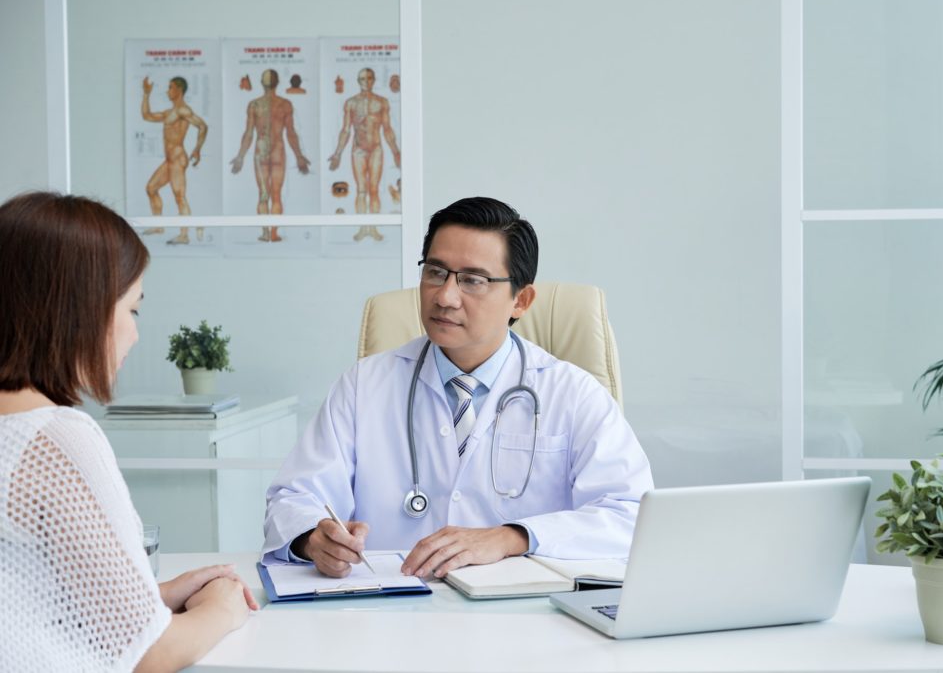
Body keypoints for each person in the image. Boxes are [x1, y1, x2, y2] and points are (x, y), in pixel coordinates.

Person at [263, 197, 653, 580]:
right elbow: (294, 497)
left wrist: (513, 536)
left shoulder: (572, 393)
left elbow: (631, 515)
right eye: (435, 272)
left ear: (521, 299)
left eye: (472, 280)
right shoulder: (365, 384)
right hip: (390, 615)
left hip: (526, 618)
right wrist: (313, 539)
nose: (445, 297)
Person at [0, 192, 258, 671]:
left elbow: (19, 601)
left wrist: (151, 596)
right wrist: (224, 607)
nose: (135, 334)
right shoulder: (54, 439)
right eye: (132, 309)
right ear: (80, 309)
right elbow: (150, 655)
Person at [229, 69, 311, 243]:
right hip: (277, 151)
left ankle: (266, 232)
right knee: (275, 194)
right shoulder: (283, 104)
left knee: (263, 194)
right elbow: (290, 133)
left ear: (261, 81)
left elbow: (250, 133)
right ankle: (272, 233)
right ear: (278, 82)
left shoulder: (255, 104)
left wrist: (241, 156)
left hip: (261, 150)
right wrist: (299, 156)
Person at [327, 67, 400, 243]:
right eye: (362, 79)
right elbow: (345, 130)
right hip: (358, 150)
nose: (366, 81)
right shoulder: (351, 103)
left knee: (373, 189)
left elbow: (387, 129)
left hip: (376, 148)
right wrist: (337, 154)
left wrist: (396, 152)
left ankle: (373, 229)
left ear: (373, 80)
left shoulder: (381, 102)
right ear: (358, 81)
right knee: (361, 190)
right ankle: (362, 228)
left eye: (369, 78)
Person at [141, 76, 208, 246]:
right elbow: (146, 116)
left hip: (178, 158)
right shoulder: (168, 112)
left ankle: (184, 235)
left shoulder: (183, 111)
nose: (167, 91)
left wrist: (197, 149)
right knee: (151, 188)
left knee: (179, 196)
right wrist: (146, 94)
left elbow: (202, 126)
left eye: (170, 87)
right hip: (169, 160)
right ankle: (158, 226)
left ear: (179, 90)